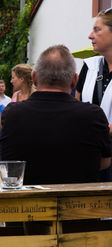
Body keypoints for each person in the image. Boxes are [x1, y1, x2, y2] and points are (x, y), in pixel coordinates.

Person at [0, 45, 111, 185]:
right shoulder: (93, 115)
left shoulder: (12, 114)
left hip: (29, 204)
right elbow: (105, 162)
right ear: (75, 80)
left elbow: (8, 162)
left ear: (34, 77)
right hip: (80, 202)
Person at [75, 8, 112, 181]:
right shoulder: (89, 66)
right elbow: (76, 108)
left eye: (97, 30)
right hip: (91, 154)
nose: (90, 35)